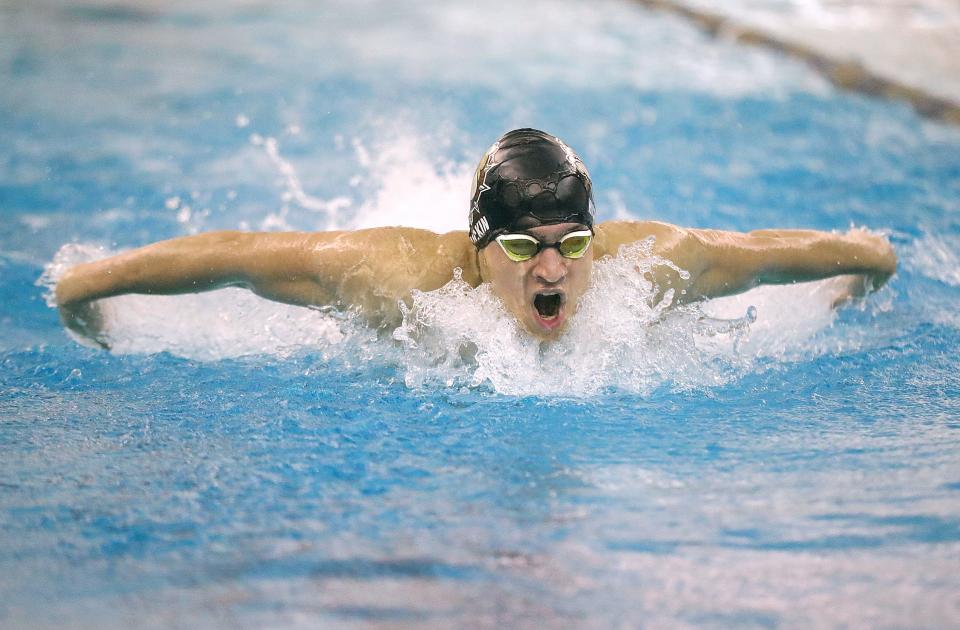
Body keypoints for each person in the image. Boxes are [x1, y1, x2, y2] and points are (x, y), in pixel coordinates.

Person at [55, 128, 896, 348]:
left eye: (573, 242)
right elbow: (232, 256)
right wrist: (84, 286)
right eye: (528, 249)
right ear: (482, 246)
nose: (556, 268)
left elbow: (770, 250)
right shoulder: (397, 276)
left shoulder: (646, 266)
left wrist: (862, 268)